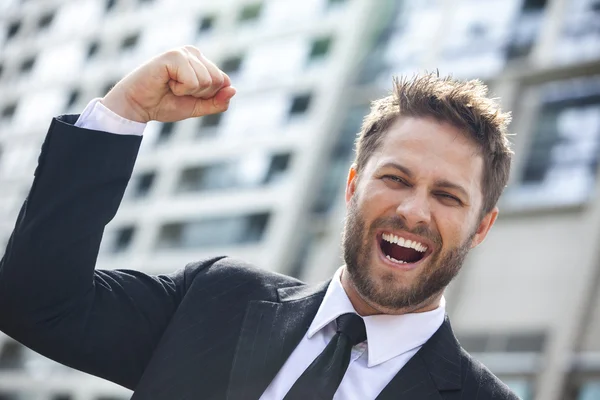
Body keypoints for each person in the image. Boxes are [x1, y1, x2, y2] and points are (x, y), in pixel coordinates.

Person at [0, 45, 519, 399]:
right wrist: (124, 113)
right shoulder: (218, 298)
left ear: (481, 227)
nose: (413, 210)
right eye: (397, 178)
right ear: (353, 184)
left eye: (447, 195)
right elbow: (36, 303)